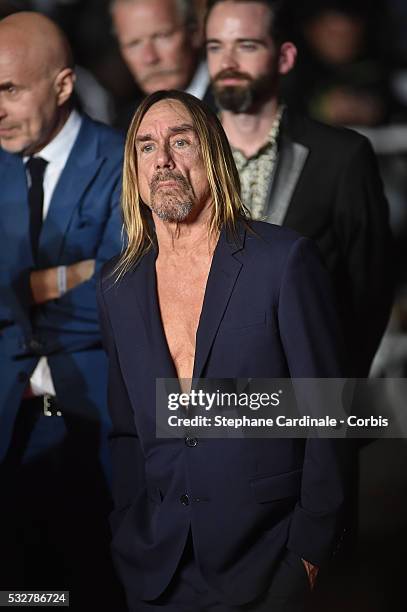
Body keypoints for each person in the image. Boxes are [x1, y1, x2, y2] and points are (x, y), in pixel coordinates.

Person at [97, 89, 353, 612]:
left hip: (267, 561)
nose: (163, 159)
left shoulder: (283, 260)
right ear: (135, 169)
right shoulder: (117, 286)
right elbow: (125, 430)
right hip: (157, 568)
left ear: (212, 154)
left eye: (180, 141)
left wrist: (309, 552)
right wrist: (128, 527)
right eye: (146, 147)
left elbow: (331, 415)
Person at [0, 12, 125, 608]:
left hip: (98, 425)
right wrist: (64, 279)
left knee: (94, 590)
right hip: (8, 428)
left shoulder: (128, 162)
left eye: (9, 89)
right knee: (23, 595)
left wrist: (21, 289)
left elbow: (123, 300)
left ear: (64, 85)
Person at [205, 0, 393, 377]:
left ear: (285, 57)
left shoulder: (341, 157)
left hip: (303, 399)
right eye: (215, 46)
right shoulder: (182, 153)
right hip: (200, 400)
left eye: (247, 45)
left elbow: (369, 292)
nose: (227, 61)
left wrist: (332, 398)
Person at [110, 0, 215, 128]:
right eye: (134, 44)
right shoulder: (124, 127)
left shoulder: (236, 106)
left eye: (162, 36)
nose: (150, 58)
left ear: (195, 33)